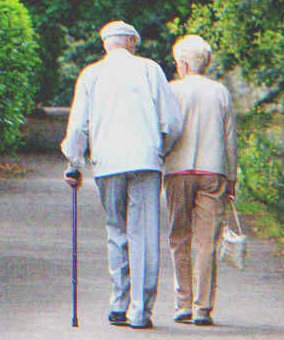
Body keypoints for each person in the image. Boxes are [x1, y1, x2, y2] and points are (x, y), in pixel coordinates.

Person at [61, 20, 183, 329]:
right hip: (145, 161)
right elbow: (172, 121)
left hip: (108, 162)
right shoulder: (150, 69)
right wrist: (161, 150)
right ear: (131, 42)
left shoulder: (91, 74)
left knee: (116, 230)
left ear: (106, 44)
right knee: (143, 233)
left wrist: (74, 162)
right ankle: (140, 310)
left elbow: (78, 125)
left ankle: (118, 302)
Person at [164, 35, 238, 326]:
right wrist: (231, 177)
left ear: (182, 63)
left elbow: (166, 131)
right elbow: (230, 139)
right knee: (207, 241)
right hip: (213, 171)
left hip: (178, 170)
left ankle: (182, 302)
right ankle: (202, 307)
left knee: (178, 237)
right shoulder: (220, 92)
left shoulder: (172, 91)